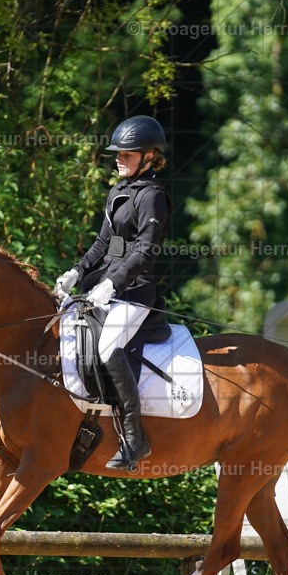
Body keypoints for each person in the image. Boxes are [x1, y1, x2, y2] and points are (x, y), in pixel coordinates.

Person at [54, 115, 171, 470]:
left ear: (149, 157)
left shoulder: (152, 197)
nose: (119, 158)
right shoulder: (118, 191)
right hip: (104, 286)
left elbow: (145, 251)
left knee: (107, 347)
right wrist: (78, 271)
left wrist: (113, 284)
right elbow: (103, 243)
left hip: (135, 292)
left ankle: (135, 438)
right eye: (117, 153)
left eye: (127, 154)